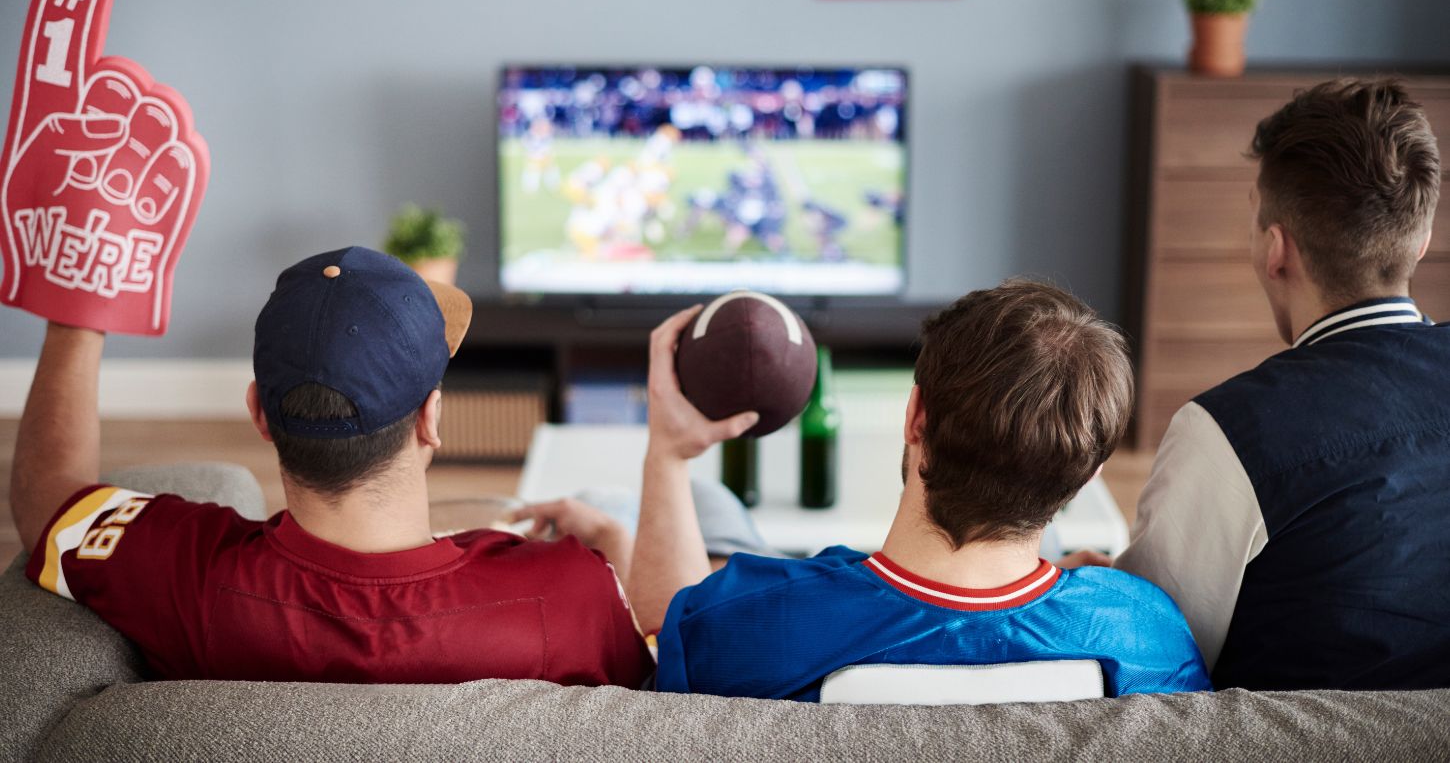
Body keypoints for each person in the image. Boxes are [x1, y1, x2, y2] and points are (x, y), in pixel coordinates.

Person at [14, 246, 653, 686]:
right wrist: (614, 548)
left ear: (258, 415)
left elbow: (47, 497)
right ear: (431, 418)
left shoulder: (179, 572)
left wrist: (78, 316)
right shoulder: (571, 589)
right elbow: (656, 691)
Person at [606, 280, 1210, 701]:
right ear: (1088, 474)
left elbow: (662, 629)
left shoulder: (744, 620)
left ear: (915, 415)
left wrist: (667, 451)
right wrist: (1083, 589)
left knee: (696, 509)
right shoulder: (1144, 632)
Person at [1115, 78, 1448, 691]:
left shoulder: (1228, 432)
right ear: (1421, 242)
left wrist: (1110, 597)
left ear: (1276, 250)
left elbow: (1147, 662)